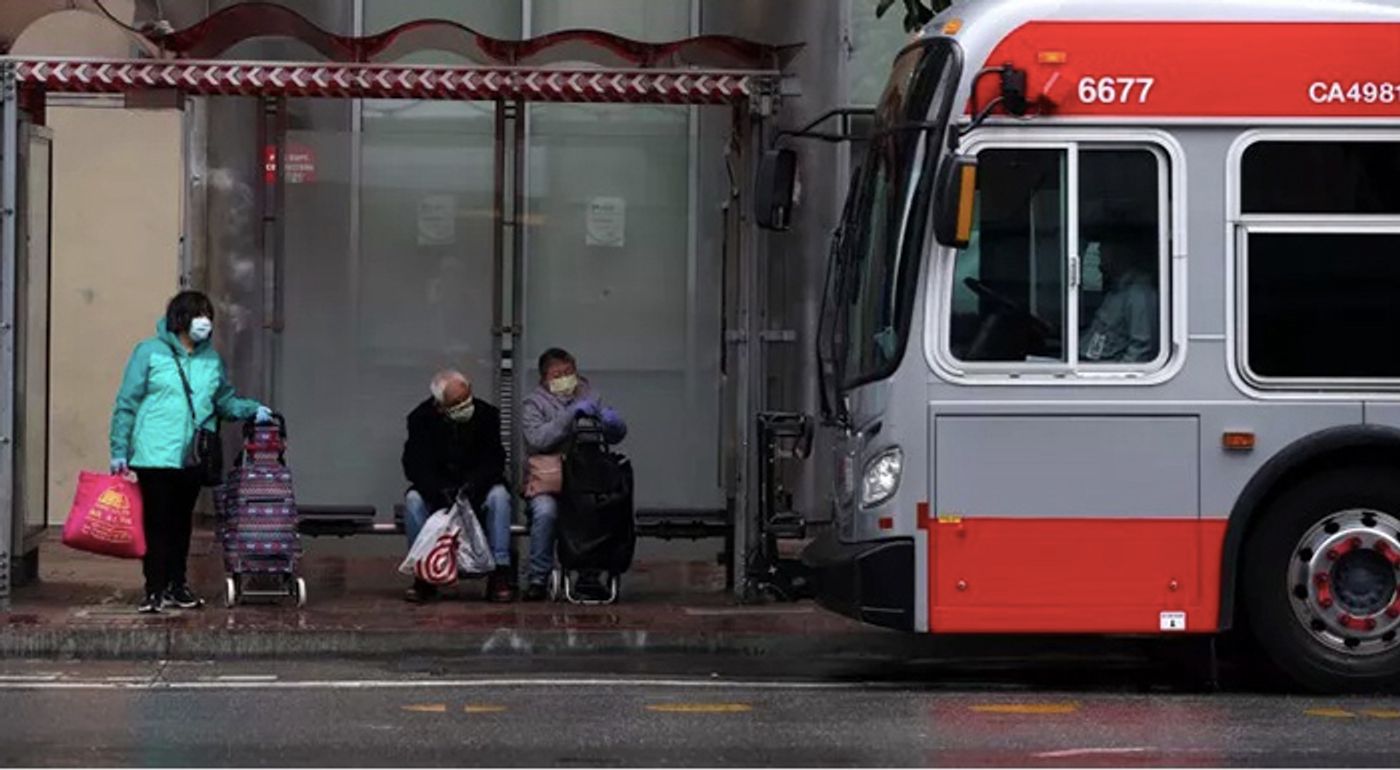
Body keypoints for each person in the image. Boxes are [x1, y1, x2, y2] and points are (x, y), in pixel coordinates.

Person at [109, 291, 274, 614]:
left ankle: (177, 585)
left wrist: (252, 409)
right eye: (198, 314)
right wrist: (119, 448)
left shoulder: (211, 360)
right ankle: (154, 588)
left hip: (194, 455)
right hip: (154, 454)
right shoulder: (149, 353)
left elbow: (223, 401)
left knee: (181, 524)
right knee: (157, 523)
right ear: (180, 318)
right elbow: (126, 404)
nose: (205, 322)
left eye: (207, 315)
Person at [520, 348, 626, 601]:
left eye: (569, 372)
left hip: (587, 480)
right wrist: (569, 416)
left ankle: (590, 574)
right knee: (546, 512)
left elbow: (615, 435)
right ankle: (538, 576)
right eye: (558, 374)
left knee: (598, 509)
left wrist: (612, 423)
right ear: (544, 378)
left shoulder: (591, 395)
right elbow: (537, 439)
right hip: (549, 482)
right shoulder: (533, 404)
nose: (565, 378)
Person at [401, 370, 515, 603]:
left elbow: (495, 460)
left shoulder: (486, 415)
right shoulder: (420, 419)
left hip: (478, 486)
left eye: (467, 398)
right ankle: (422, 576)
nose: (465, 405)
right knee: (413, 502)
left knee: (500, 497)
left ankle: (500, 572)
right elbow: (414, 465)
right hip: (438, 489)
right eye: (456, 403)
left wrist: (473, 484)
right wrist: (439, 489)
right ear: (440, 405)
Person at [1080, 230, 1160, 363]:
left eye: (1102, 256)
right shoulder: (1116, 291)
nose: (1100, 265)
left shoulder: (1139, 295)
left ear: (1119, 255)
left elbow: (1142, 347)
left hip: (1106, 372)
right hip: (1088, 363)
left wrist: (1119, 376)